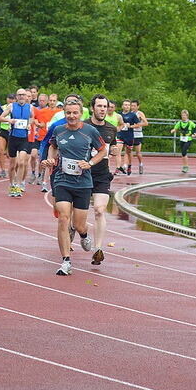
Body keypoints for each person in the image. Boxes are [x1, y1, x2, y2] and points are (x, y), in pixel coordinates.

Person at [41, 98, 107, 275]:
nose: (71, 116)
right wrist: (51, 159)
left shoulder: (90, 131)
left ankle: (84, 235)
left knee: (79, 224)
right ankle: (66, 261)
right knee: (63, 217)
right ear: (65, 114)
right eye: (68, 113)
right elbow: (52, 146)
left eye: (75, 113)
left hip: (83, 183)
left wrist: (90, 163)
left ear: (81, 113)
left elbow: (103, 150)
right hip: (62, 180)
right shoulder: (58, 130)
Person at [87, 95, 117, 265]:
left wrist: (114, 150)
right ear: (93, 108)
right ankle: (74, 232)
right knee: (78, 217)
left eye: (105, 106)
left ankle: (97, 249)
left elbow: (112, 147)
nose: (102, 109)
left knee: (99, 210)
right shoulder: (83, 126)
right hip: (83, 174)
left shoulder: (111, 129)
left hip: (102, 175)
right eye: (99, 106)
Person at [3, 89, 33, 197]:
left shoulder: (30, 107)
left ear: (26, 96)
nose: (21, 96)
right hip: (13, 138)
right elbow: (1, 117)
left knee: (21, 162)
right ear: (16, 96)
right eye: (19, 95)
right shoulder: (11, 106)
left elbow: (32, 117)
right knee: (12, 165)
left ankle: (18, 185)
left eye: (23, 95)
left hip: (24, 138)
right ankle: (11, 184)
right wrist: (9, 121)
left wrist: (30, 124)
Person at [30, 93, 59, 186]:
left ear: (57, 102)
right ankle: (38, 174)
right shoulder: (42, 111)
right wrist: (38, 124)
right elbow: (33, 119)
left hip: (54, 138)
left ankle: (47, 176)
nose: (52, 102)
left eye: (54, 101)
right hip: (42, 137)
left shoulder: (59, 112)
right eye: (50, 100)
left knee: (51, 159)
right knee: (39, 157)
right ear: (48, 101)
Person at [0, 93, 15, 178]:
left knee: (10, 154)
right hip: (3, 130)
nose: (11, 100)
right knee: (1, 150)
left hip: (12, 131)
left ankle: (12, 169)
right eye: (9, 98)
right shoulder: (2, 107)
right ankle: (3, 170)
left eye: (12, 99)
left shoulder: (16, 108)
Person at [128, 100, 149, 174]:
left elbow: (146, 123)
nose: (132, 107)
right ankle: (128, 166)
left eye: (134, 106)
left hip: (138, 134)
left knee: (138, 153)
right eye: (131, 106)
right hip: (130, 133)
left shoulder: (140, 113)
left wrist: (137, 125)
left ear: (138, 106)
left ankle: (140, 164)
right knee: (128, 151)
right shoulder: (129, 113)